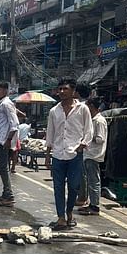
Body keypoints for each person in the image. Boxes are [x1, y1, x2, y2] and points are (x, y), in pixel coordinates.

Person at [45, 78, 93, 230]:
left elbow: (88, 129)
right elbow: (50, 133)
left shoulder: (82, 109)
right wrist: (47, 154)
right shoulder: (54, 111)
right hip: (58, 154)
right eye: (59, 89)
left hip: (75, 154)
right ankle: (60, 217)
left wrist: (83, 144)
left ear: (73, 91)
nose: (61, 92)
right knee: (58, 187)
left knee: (74, 186)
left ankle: (69, 211)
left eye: (65, 89)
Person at [0, 82, 19, 207]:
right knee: (3, 168)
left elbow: (15, 124)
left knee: (3, 168)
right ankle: (5, 193)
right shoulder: (2, 104)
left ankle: (9, 195)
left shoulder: (7, 104)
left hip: (3, 141)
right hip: (1, 140)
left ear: (5, 90)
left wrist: (8, 140)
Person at [79, 98, 107, 217]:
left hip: (94, 155)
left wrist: (88, 138)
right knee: (90, 181)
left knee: (94, 181)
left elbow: (100, 139)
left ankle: (95, 206)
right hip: (89, 154)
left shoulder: (99, 121)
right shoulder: (92, 120)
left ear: (91, 106)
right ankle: (91, 204)